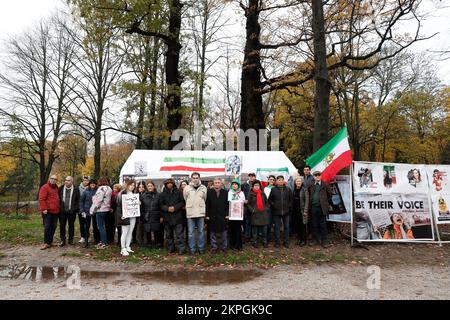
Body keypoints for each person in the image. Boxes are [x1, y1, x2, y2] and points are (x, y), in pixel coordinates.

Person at [183, 172, 208, 255]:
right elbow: (185, 198)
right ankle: (192, 250)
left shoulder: (203, 188)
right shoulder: (186, 188)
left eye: (197, 178)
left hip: (200, 213)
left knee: (201, 232)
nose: (195, 179)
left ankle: (201, 249)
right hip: (190, 213)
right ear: (191, 178)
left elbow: (204, 199)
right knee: (191, 233)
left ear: (199, 178)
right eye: (193, 178)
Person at [306, 171, 332, 248]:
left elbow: (330, 194)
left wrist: (325, 203)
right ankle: (315, 239)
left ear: (321, 176)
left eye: (319, 175)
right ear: (313, 176)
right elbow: (308, 194)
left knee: (323, 224)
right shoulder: (310, 185)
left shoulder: (325, 184)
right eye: (316, 175)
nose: (317, 176)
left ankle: (324, 241)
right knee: (314, 224)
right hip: (313, 207)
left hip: (322, 208)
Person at [160, 178, 186, 255]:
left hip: (177, 216)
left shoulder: (178, 192)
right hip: (167, 217)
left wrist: (175, 207)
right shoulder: (163, 194)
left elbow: (182, 202)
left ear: (173, 184)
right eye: (168, 183)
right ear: (165, 185)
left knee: (179, 235)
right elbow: (160, 205)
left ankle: (181, 249)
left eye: (171, 183)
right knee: (168, 235)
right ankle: (170, 248)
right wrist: (167, 208)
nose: (169, 184)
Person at [206, 178, 229, 254]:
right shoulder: (209, 192)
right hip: (212, 215)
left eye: (218, 183)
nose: (217, 184)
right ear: (213, 184)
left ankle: (224, 247)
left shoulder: (225, 192)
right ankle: (214, 247)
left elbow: (227, 204)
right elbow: (207, 204)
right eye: (215, 183)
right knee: (212, 232)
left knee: (223, 232)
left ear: (221, 184)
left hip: (222, 215)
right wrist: (207, 215)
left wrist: (227, 214)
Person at [268, 175, 293, 248]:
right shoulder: (273, 189)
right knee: (277, 227)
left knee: (286, 227)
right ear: (276, 181)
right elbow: (270, 200)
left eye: (282, 180)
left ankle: (286, 242)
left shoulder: (288, 189)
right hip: (276, 212)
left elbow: (291, 200)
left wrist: (289, 207)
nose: (280, 181)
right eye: (279, 180)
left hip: (286, 212)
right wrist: (274, 205)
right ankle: (277, 242)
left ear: (283, 181)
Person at [115, 180, 138, 256]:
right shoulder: (121, 194)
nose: (132, 186)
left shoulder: (134, 194)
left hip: (133, 215)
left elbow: (135, 204)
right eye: (131, 185)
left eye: (133, 185)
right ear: (127, 185)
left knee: (130, 231)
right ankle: (123, 248)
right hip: (125, 216)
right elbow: (118, 207)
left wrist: (138, 203)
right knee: (124, 232)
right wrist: (121, 215)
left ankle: (128, 246)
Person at [39, 175, 60, 250]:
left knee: (54, 226)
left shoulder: (56, 188)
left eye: (55, 179)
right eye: (52, 178)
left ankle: (50, 242)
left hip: (56, 211)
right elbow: (41, 199)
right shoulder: (45, 187)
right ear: (49, 179)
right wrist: (44, 208)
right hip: (47, 211)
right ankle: (46, 243)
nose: (53, 180)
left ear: (56, 181)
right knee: (47, 227)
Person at [90, 177, 112, 249]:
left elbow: (99, 199)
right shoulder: (109, 188)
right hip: (106, 209)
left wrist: (94, 208)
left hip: (100, 209)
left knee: (100, 227)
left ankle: (104, 243)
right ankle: (103, 241)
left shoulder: (101, 188)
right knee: (103, 226)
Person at [140, 180, 163, 248]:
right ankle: (149, 243)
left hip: (156, 215)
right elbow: (142, 206)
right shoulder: (143, 196)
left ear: (153, 186)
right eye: (148, 186)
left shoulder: (158, 195)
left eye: (151, 186)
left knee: (156, 230)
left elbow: (161, 206)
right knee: (147, 230)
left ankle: (157, 243)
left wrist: (161, 216)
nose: (150, 187)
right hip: (147, 215)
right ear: (146, 187)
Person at [247, 180, 270, 248]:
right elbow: (248, 204)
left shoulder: (263, 193)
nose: (257, 187)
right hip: (255, 213)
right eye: (255, 185)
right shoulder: (250, 194)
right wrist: (252, 210)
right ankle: (254, 242)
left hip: (263, 213)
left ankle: (264, 241)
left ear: (260, 186)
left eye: (258, 185)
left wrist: (266, 208)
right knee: (255, 230)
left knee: (264, 229)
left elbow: (266, 202)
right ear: (253, 186)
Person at [58, 176, 80, 247]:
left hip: (71, 211)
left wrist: (75, 209)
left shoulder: (76, 189)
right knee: (62, 225)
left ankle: (71, 239)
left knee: (71, 225)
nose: (66, 181)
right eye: (65, 180)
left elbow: (78, 200)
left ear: (72, 182)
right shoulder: (60, 188)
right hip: (62, 211)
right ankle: (62, 240)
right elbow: (58, 198)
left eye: (68, 180)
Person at [79, 179, 98, 248]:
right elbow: (81, 201)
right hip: (87, 211)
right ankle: (86, 241)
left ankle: (96, 240)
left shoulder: (98, 191)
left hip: (96, 212)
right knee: (86, 226)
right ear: (89, 184)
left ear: (95, 184)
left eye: (94, 183)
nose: (92, 185)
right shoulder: (85, 192)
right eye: (91, 183)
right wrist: (82, 211)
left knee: (96, 226)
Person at [228, 179, 245, 251]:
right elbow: (228, 203)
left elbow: (243, 203)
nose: (234, 185)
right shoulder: (229, 192)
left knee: (238, 230)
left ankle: (238, 245)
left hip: (238, 215)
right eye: (233, 184)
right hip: (231, 215)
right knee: (232, 230)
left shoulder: (241, 193)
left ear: (238, 185)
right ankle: (232, 244)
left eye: (236, 184)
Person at [292, 177, 309, 246]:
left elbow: (307, 201)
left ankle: (303, 240)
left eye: (299, 181)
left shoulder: (304, 190)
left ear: (302, 182)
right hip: (295, 210)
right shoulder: (294, 190)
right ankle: (299, 239)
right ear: (295, 182)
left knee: (303, 226)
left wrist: (305, 211)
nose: (298, 182)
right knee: (297, 225)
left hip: (302, 211)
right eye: (297, 181)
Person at [241, 173, 256, 242]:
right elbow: (240, 193)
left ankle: (254, 236)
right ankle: (247, 236)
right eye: (250, 176)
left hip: (254, 206)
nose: (251, 177)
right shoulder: (244, 185)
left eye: (253, 176)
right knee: (246, 221)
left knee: (254, 221)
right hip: (246, 206)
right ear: (248, 177)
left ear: (255, 177)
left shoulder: (257, 184)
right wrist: (243, 200)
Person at [78, 176, 90, 244]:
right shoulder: (78, 188)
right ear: (82, 181)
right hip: (81, 209)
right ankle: (82, 237)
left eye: (87, 181)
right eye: (84, 180)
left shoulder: (90, 188)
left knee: (87, 224)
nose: (86, 182)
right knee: (81, 224)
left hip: (88, 209)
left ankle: (87, 237)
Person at [264, 175, 276, 243]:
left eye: (273, 180)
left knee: (274, 223)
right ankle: (267, 237)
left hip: (275, 207)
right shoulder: (266, 188)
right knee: (268, 223)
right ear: (268, 180)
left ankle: (274, 237)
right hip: (268, 207)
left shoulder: (276, 188)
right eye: (270, 179)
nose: (271, 181)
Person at [134, 181, 146, 246]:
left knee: (144, 229)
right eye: (139, 187)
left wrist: (142, 203)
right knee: (138, 228)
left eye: (142, 187)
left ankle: (144, 241)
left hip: (144, 213)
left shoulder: (146, 194)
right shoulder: (136, 195)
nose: (141, 188)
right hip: (137, 214)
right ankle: (139, 241)